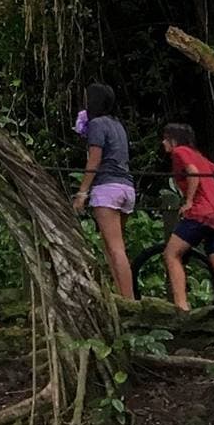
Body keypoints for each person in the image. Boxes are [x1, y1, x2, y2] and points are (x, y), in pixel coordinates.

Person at [160, 122, 214, 312]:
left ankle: (181, 307)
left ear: (173, 140)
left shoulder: (180, 152)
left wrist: (190, 201)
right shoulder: (199, 155)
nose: (163, 142)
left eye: (166, 138)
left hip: (202, 214)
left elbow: (193, 173)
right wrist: (210, 186)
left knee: (171, 254)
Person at [70, 83, 136, 301]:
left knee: (115, 249)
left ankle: (128, 300)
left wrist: (82, 192)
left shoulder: (97, 124)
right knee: (113, 248)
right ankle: (121, 293)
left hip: (107, 188)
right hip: (127, 187)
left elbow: (95, 159)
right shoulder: (118, 125)